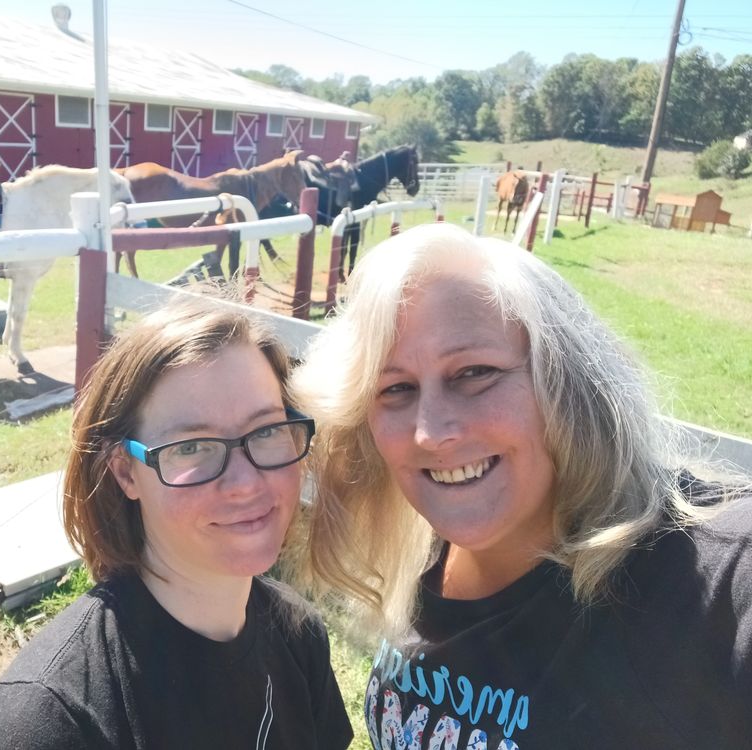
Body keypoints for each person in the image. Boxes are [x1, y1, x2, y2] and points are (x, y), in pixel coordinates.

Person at [292, 222, 752, 748]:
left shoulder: (708, 577)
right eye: (395, 388)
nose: (432, 432)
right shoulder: (426, 548)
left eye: (473, 373)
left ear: (566, 382)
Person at [0, 296, 353, 749]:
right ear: (126, 471)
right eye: (191, 447)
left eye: (266, 431)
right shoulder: (43, 724)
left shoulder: (298, 636)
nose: (246, 483)